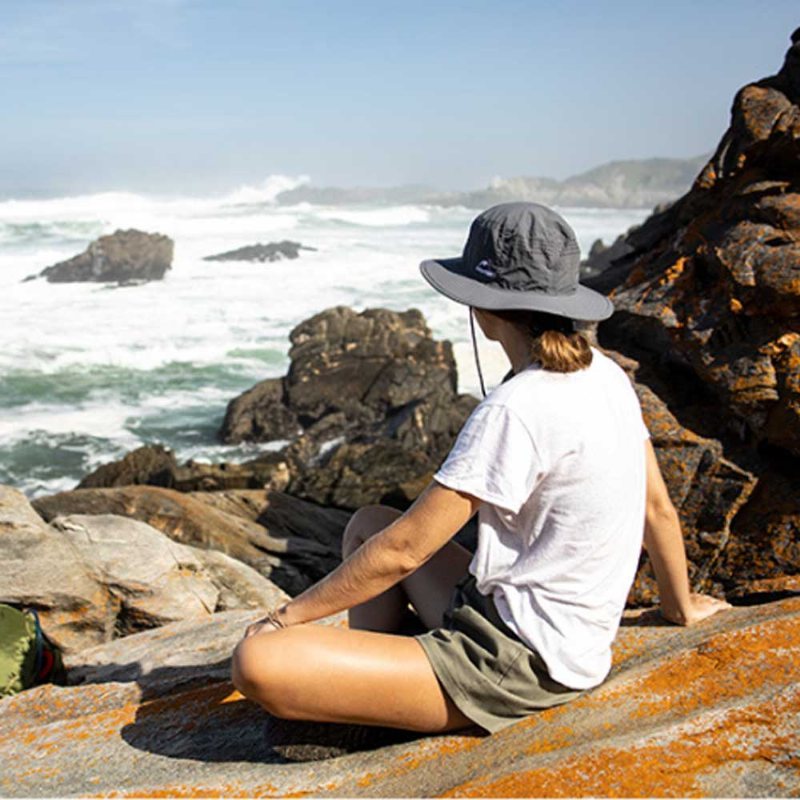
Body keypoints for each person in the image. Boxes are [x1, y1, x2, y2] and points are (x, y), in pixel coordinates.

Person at [230, 202, 730, 735]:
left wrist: (281, 619)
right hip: (525, 624)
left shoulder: (515, 408)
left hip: (519, 664)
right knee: (369, 523)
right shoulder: (606, 376)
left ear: (484, 311)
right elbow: (658, 508)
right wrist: (680, 606)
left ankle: (374, 702)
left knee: (258, 663)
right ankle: (374, 690)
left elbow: (405, 553)